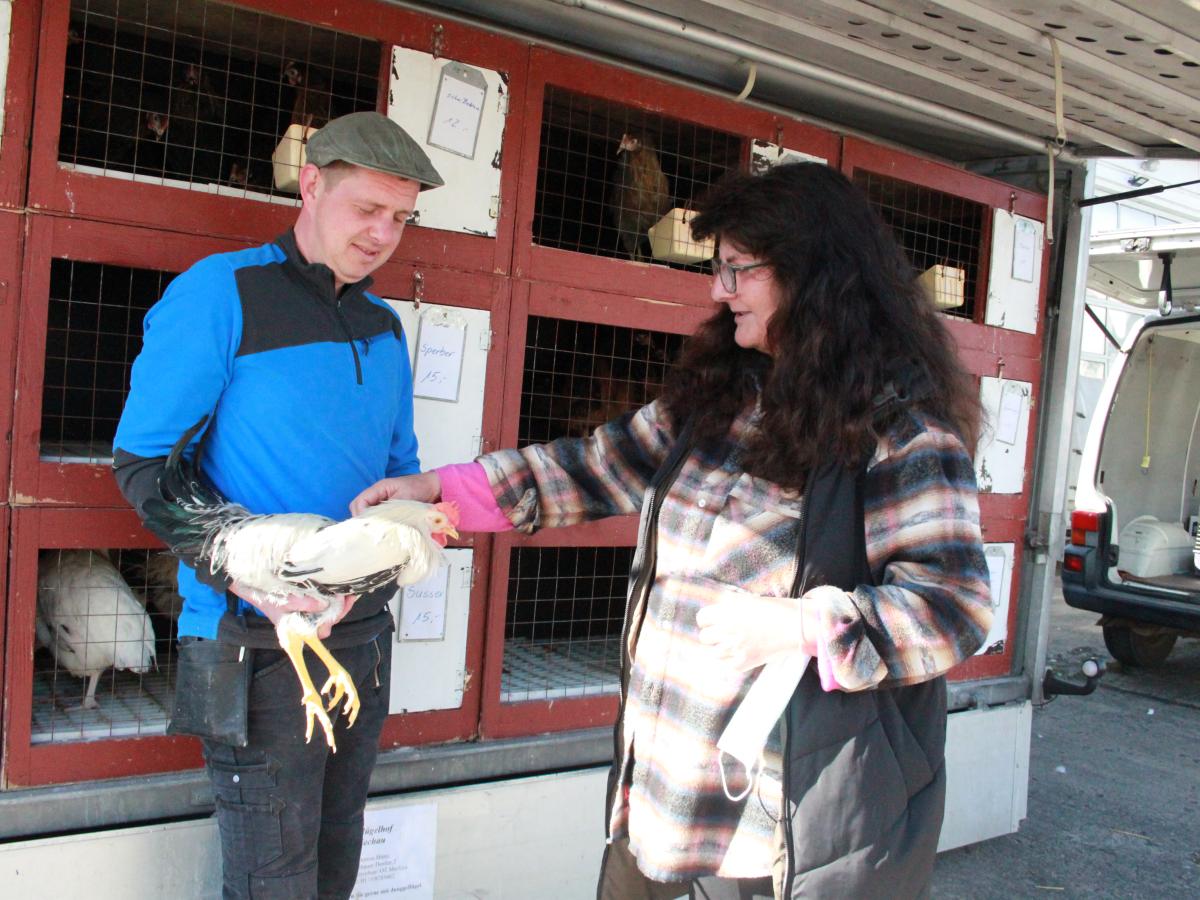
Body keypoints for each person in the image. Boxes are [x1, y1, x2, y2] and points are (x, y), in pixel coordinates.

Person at [352, 162, 993, 898]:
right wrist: (441, 495)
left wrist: (800, 626)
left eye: (736, 269)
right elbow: (591, 468)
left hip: (770, 829)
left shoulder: (900, 431)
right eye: (716, 268)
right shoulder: (723, 397)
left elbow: (954, 609)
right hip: (657, 800)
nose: (718, 289)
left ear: (815, 275)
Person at [112, 111, 444, 899]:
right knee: (273, 885)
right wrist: (244, 561)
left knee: (336, 867)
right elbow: (143, 464)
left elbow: (400, 470)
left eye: (400, 219)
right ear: (310, 184)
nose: (382, 235)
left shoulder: (383, 326)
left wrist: (397, 545)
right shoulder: (219, 294)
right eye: (366, 209)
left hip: (362, 641)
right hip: (252, 643)